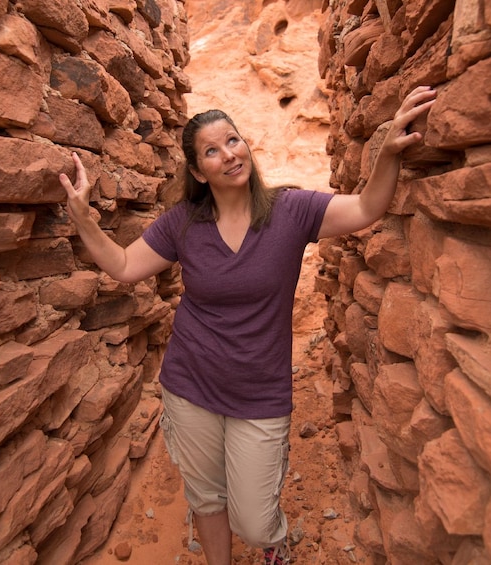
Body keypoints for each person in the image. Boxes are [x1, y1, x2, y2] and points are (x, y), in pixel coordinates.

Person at [59, 85, 436, 565]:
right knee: (207, 498)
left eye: (233, 141)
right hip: (191, 383)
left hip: (260, 393)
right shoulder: (182, 224)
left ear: (246, 146)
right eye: (211, 151)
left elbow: (365, 208)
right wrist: (83, 218)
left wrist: (386, 154)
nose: (228, 155)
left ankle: (272, 545)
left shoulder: (291, 210)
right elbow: (125, 266)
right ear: (198, 171)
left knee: (255, 519)